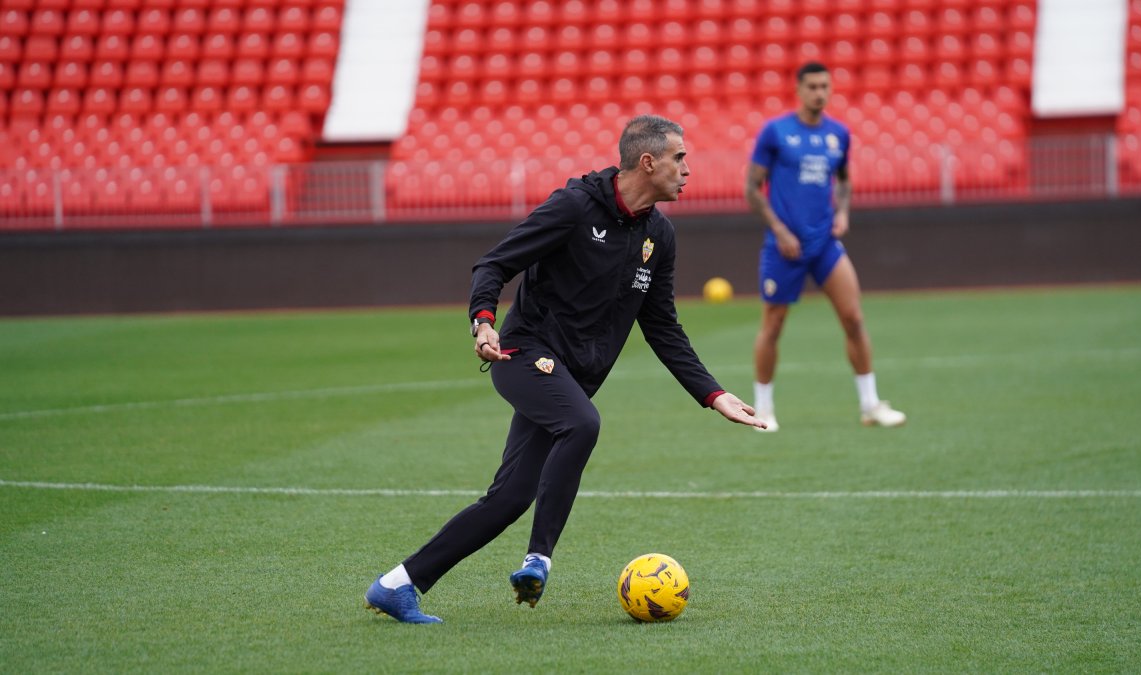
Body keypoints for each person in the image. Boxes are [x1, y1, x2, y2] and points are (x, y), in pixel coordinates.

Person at [365, 114, 766, 624]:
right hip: (522, 353)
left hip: (569, 379)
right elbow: (494, 265)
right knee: (582, 423)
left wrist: (714, 395)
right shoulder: (575, 207)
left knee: (507, 499)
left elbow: (662, 327)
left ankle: (397, 585)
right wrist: (483, 323)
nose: (688, 169)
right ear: (648, 162)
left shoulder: (659, 236)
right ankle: (539, 559)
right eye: (679, 158)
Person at [745, 61, 906, 432]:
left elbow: (845, 180)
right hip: (784, 247)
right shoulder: (776, 132)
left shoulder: (839, 135)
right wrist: (780, 231)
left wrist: (844, 212)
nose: (820, 93)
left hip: (825, 244)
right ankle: (763, 410)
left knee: (854, 318)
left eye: (825, 86)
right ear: (799, 89)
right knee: (773, 325)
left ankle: (870, 405)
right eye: (813, 86)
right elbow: (752, 189)